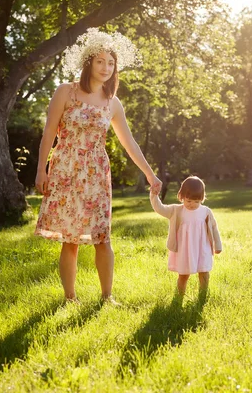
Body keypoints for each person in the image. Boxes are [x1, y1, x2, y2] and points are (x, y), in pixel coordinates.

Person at [34, 28, 161, 303]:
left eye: (111, 62)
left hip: (96, 173)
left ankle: (107, 297)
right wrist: (40, 170)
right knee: (71, 239)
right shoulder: (65, 92)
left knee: (102, 237)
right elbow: (48, 133)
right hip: (66, 169)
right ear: (89, 62)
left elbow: (130, 143)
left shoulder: (112, 103)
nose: (106, 67)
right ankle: (70, 298)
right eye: (100, 61)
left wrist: (150, 174)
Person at [150, 176, 222, 296]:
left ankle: (203, 295)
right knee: (183, 275)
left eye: (196, 202)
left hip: (202, 248)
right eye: (189, 201)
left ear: (202, 199)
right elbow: (159, 208)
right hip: (185, 249)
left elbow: (214, 228)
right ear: (181, 196)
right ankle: (179, 296)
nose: (192, 204)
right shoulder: (176, 211)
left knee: (204, 272)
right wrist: (154, 195)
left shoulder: (206, 211)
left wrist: (217, 245)